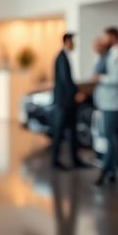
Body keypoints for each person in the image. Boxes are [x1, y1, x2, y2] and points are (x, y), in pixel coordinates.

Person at [94, 26, 118, 186]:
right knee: (111, 137)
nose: (103, 40)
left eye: (105, 37)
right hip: (108, 102)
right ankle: (110, 170)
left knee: (111, 137)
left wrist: (100, 78)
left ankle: (108, 170)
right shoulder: (109, 55)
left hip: (114, 103)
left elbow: (117, 79)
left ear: (113, 37)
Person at [51, 33, 83, 170]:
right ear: (67, 41)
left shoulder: (64, 57)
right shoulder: (61, 58)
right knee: (59, 131)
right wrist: (76, 93)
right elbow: (65, 81)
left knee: (72, 131)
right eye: (73, 41)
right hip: (64, 102)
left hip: (67, 102)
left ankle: (75, 160)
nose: (74, 44)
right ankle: (55, 161)